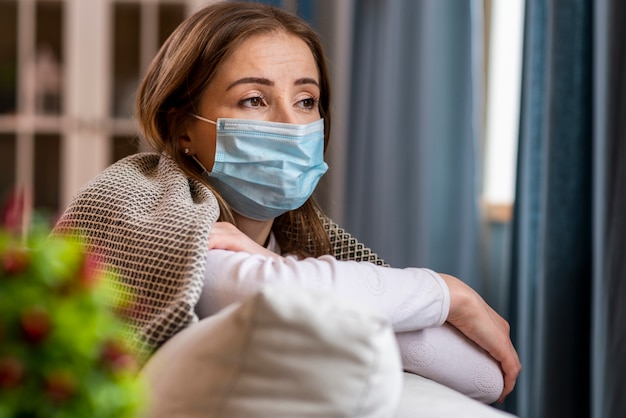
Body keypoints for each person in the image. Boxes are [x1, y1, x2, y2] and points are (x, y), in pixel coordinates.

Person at [53, 1, 520, 405]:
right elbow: (255, 290)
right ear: (182, 129)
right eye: (254, 100)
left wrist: (283, 274)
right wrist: (448, 293)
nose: (290, 124)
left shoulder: (304, 250)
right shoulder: (151, 211)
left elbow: (482, 375)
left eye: (306, 100)